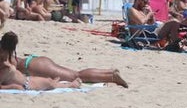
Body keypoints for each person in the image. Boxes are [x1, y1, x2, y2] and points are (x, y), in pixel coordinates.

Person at [0, 31, 128, 87]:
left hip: (35, 67)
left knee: (76, 75)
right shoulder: (6, 50)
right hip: (35, 62)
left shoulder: (3, 55)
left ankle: (111, 76)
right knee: (75, 73)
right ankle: (109, 72)